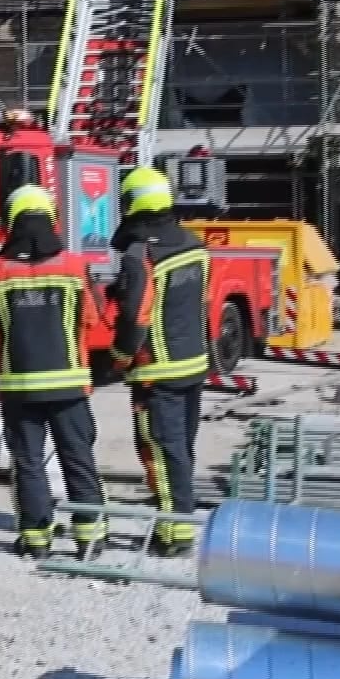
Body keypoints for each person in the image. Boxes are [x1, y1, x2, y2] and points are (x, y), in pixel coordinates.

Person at [0, 185, 108, 561]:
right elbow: (92, 317)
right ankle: (90, 539)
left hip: (19, 387)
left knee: (28, 463)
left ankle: (36, 540)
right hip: (69, 385)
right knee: (77, 457)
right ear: (52, 219)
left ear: (11, 223)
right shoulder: (75, 267)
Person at [109, 166, 212, 558]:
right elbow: (201, 302)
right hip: (193, 364)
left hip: (156, 371)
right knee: (181, 450)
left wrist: (120, 356)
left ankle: (175, 536)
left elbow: (136, 316)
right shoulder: (194, 244)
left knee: (162, 453)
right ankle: (177, 522)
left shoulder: (141, 255)